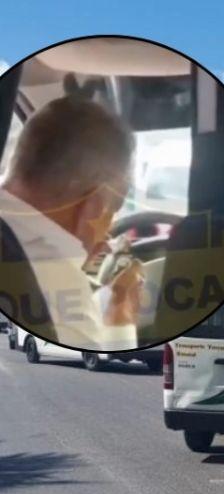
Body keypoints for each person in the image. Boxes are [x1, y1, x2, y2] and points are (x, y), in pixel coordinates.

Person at [0, 96, 141, 350]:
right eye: (114, 209)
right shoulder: (53, 277)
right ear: (94, 206)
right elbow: (98, 372)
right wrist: (122, 303)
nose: (108, 232)